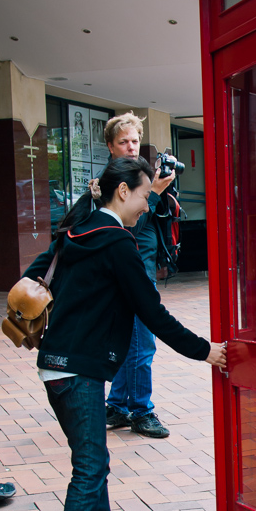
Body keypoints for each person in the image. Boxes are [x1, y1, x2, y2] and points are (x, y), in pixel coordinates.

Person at [22, 158, 226, 511]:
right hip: (77, 367)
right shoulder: (116, 241)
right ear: (122, 192)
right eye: (143, 194)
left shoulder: (77, 228)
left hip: (60, 363)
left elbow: (31, 275)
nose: (146, 203)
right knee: (91, 465)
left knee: (94, 461)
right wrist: (205, 351)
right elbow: (152, 312)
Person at [104, 112, 176, 438]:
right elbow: (131, 224)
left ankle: (117, 405)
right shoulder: (114, 183)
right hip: (130, 270)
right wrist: (156, 192)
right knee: (142, 344)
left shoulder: (142, 176)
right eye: (124, 142)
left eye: (135, 141)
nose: (132, 147)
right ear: (111, 146)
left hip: (142, 266)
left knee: (131, 340)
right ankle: (141, 411)